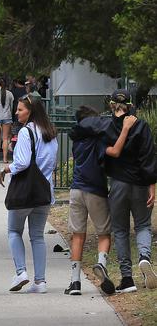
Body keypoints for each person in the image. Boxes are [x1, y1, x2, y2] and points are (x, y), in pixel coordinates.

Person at [64, 105, 137, 296]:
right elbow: (114, 152)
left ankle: (75, 282)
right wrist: (126, 128)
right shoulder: (97, 140)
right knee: (104, 233)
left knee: (78, 235)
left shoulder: (77, 140)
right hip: (95, 190)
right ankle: (101, 263)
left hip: (76, 190)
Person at [0, 94, 58, 293]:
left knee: (14, 231)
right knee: (37, 236)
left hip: (25, 193)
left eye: (20, 109)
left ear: (30, 112)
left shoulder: (26, 132)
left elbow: (22, 162)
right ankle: (40, 281)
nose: (16, 112)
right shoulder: (50, 132)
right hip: (44, 192)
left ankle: (21, 271)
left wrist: (6, 169)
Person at [103, 89, 157, 293]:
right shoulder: (141, 125)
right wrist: (152, 183)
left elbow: (105, 157)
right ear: (130, 104)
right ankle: (144, 257)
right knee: (143, 225)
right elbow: (148, 154)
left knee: (120, 230)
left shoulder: (107, 127)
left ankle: (127, 278)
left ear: (111, 104)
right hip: (141, 183)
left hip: (117, 183)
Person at [0, 77, 15, 163]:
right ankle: (5, 159)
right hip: (7, 117)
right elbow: (11, 107)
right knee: (5, 139)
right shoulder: (10, 94)